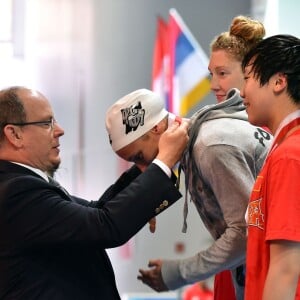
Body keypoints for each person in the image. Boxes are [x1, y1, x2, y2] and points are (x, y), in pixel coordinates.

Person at [0, 86, 189, 300]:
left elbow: (96, 211)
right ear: (14, 134)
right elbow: (104, 225)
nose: (59, 130)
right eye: (46, 123)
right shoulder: (16, 192)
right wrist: (164, 161)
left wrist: (145, 162)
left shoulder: (20, 185)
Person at [105, 88, 271, 300]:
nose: (144, 169)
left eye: (139, 156)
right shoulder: (204, 136)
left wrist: (178, 272)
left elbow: (245, 234)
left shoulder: (210, 146)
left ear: (157, 127)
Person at [207, 15, 267, 300]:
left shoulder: (272, 130)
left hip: (265, 263)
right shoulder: (213, 129)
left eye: (222, 73)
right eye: (211, 74)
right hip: (231, 268)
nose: (213, 85)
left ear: (249, 73)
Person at [241, 34, 300, 300]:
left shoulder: (290, 155)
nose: (242, 92)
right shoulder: (284, 149)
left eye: (248, 78)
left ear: (278, 82)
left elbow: (287, 267)